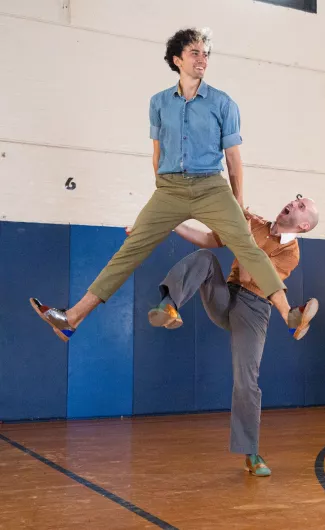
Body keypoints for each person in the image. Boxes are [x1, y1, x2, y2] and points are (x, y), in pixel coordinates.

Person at [30, 27, 294, 341]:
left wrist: (237, 203)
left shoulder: (223, 103)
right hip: (169, 189)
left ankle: (289, 313)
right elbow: (157, 153)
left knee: (247, 246)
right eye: (195, 53)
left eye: (205, 54)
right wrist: (162, 194)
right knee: (129, 250)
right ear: (176, 59)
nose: (202, 59)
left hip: (212, 187)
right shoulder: (158, 103)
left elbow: (234, 159)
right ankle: (72, 317)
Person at [147, 196, 320, 476]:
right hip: (226, 296)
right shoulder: (256, 224)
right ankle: (168, 304)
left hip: (254, 309)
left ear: (303, 225)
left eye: (301, 207)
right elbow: (207, 240)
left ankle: (250, 453)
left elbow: (253, 276)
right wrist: (175, 224)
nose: (292, 203)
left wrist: (241, 230)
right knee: (205, 258)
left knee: (246, 382)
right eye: (294, 200)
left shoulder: (291, 253)